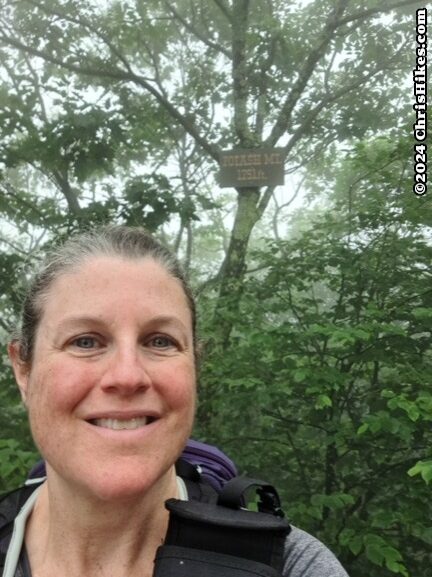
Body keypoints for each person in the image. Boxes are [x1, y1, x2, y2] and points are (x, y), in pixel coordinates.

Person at [2, 225, 349, 577]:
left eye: (160, 342)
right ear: (23, 369)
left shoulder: (289, 567)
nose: (127, 376)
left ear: (195, 366)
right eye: (85, 342)